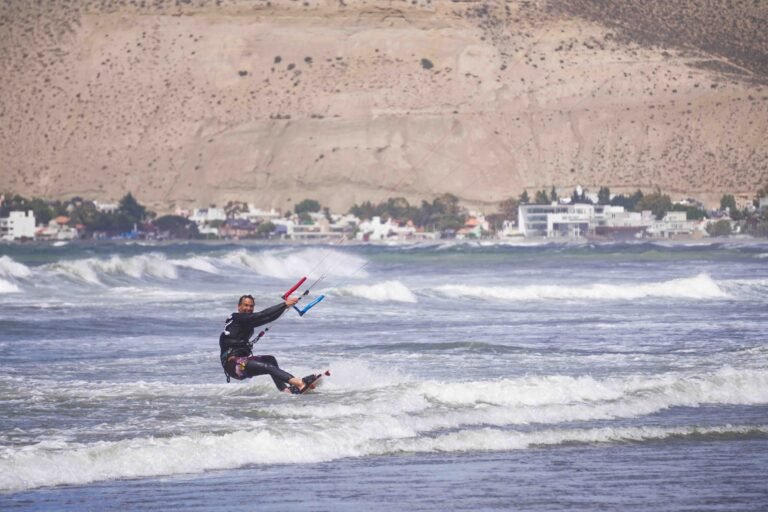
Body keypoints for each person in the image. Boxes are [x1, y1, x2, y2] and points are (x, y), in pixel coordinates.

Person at [219, 293, 316, 394]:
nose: (248, 308)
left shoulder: (246, 322)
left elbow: (268, 318)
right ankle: (299, 383)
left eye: (251, 306)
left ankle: (285, 390)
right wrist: (284, 304)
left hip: (241, 363)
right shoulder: (236, 317)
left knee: (270, 360)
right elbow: (262, 315)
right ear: (239, 307)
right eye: (246, 305)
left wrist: (285, 307)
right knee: (267, 367)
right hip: (234, 365)